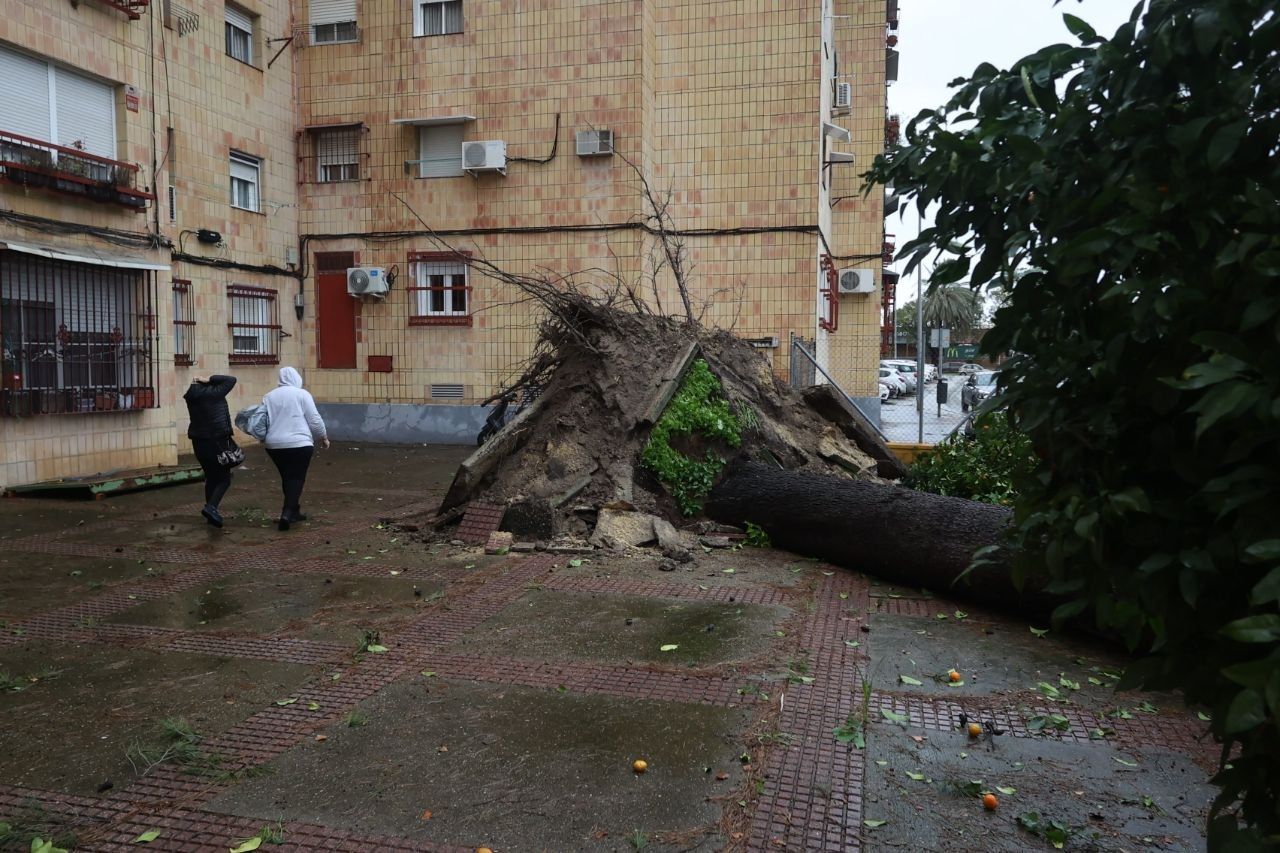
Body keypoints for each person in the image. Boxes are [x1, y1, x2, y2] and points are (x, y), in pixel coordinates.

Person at [262, 366, 329, 531]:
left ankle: (294, 511)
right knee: (297, 478)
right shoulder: (302, 394)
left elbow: (262, 420)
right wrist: (323, 437)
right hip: (299, 443)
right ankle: (286, 513)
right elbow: (314, 419)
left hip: (274, 445)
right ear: (297, 378)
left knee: (287, 477)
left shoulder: (268, 396)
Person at [183, 373, 238, 528]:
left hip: (199, 442)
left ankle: (210, 513)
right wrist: (210, 379)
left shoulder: (191, 396)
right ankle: (211, 507)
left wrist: (198, 382)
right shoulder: (213, 393)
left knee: (211, 477)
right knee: (224, 478)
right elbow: (231, 379)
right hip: (216, 441)